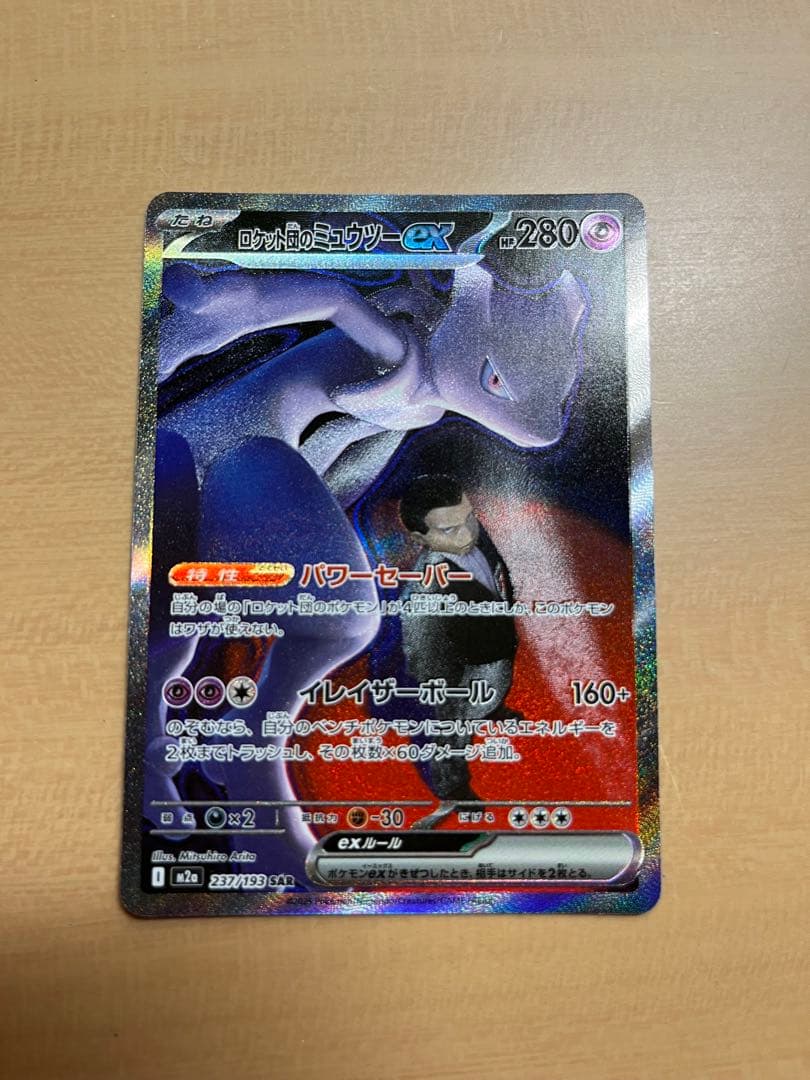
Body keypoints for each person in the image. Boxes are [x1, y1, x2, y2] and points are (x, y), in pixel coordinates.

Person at [399, 474, 518, 822]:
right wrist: (448, 698)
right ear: (420, 538)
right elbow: (424, 655)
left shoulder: (477, 536)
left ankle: (491, 709)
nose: (467, 535)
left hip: (494, 655)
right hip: (459, 678)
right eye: (449, 530)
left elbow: (498, 577)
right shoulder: (426, 590)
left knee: (494, 689)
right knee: (452, 736)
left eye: (469, 518)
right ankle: (453, 788)